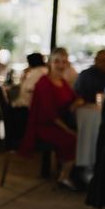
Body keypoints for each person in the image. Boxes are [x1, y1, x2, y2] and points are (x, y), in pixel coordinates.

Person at [20, 47, 84, 190]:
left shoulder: (63, 82)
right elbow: (51, 115)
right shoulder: (44, 83)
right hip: (44, 126)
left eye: (64, 62)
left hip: (58, 123)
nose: (61, 65)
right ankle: (65, 176)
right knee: (74, 138)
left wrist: (76, 103)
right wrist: (69, 130)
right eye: (57, 61)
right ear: (49, 63)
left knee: (81, 136)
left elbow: (77, 98)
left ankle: (70, 172)